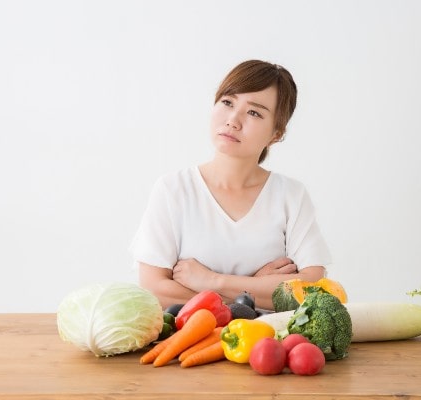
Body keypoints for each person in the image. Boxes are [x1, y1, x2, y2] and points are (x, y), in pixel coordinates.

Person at [129, 60, 331, 310]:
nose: (233, 120)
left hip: (266, 346)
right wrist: (247, 294)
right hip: (188, 345)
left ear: (276, 134)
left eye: (254, 112)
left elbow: (313, 286)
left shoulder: (291, 196)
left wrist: (211, 280)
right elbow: (154, 290)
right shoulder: (173, 190)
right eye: (227, 102)